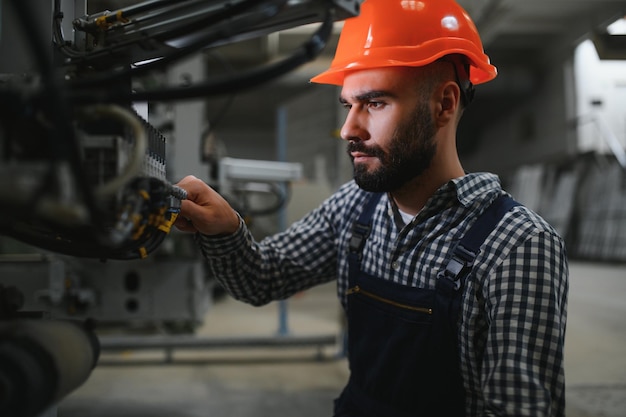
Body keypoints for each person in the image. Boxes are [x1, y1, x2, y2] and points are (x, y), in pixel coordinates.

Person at [174, 0, 569, 416]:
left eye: (375, 103)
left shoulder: (517, 246)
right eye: (349, 105)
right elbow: (261, 278)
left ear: (445, 104)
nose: (348, 129)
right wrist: (223, 228)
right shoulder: (356, 207)